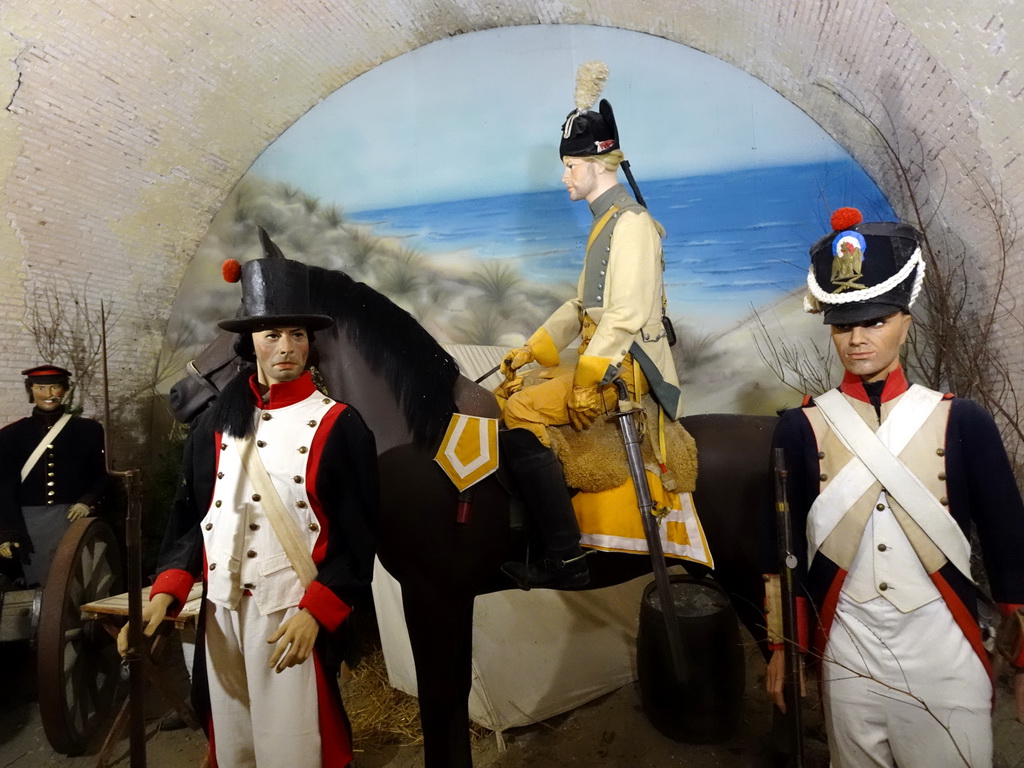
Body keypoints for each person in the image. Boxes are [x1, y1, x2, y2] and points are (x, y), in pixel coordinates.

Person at [763, 206, 1024, 767]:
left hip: (942, 654)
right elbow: (780, 549)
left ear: (906, 319)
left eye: (875, 321)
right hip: (848, 655)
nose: (857, 338)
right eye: (843, 324)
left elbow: (1009, 544)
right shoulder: (801, 427)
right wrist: (783, 646)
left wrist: (1022, 659)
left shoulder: (964, 421)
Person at [119, 234, 378, 768]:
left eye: (297, 335)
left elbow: (358, 538)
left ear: (311, 343)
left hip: (289, 613)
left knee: (296, 745)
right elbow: (195, 521)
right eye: (272, 334)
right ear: (251, 342)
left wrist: (319, 612)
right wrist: (166, 591)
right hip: (220, 613)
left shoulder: (340, 426)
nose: (286, 347)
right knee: (235, 742)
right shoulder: (214, 426)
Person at [499, 62, 682, 589]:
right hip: (607, 355)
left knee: (520, 407)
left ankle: (567, 560)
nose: (564, 177)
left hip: (633, 366)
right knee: (520, 384)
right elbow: (583, 305)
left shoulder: (633, 225)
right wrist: (532, 350)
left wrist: (585, 380)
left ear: (595, 165)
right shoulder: (608, 222)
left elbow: (622, 315)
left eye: (569, 166)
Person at [0, 364, 108, 587]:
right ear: (31, 391)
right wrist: (8, 532)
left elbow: (102, 475)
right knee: (40, 586)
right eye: (40, 388)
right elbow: (5, 488)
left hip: (72, 520)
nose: (48, 395)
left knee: (79, 582)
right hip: (31, 525)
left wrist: (87, 502)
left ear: (64, 390)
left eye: (55, 387)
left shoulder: (88, 430)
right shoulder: (11, 435)